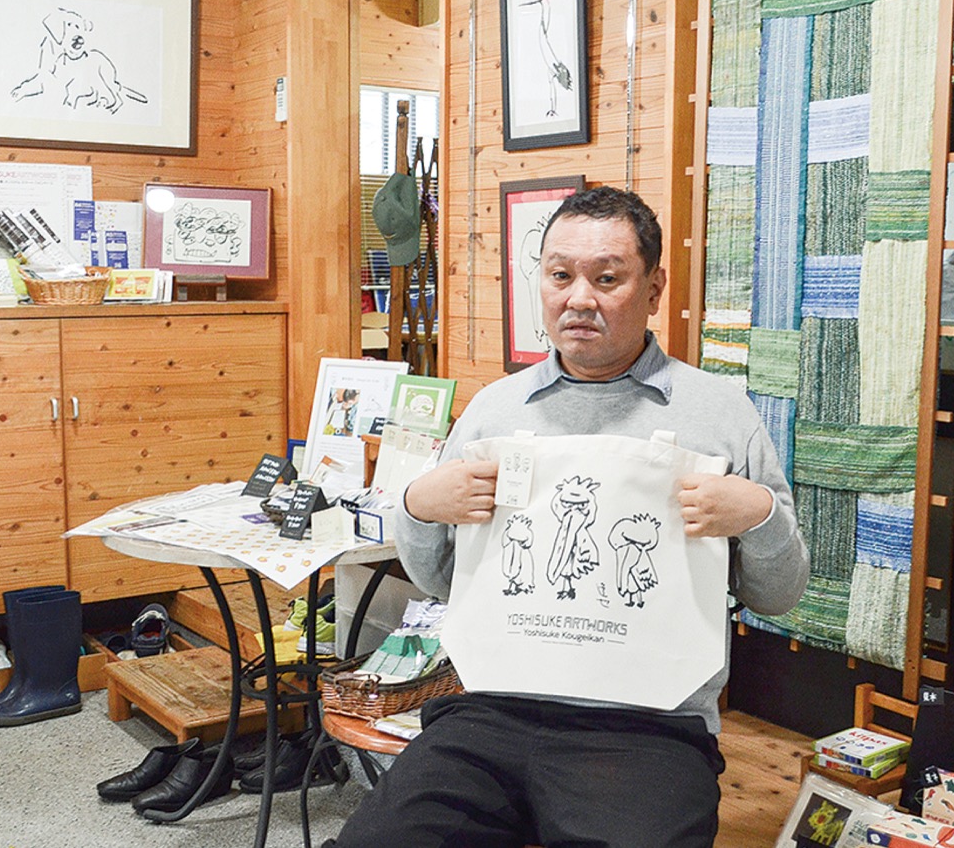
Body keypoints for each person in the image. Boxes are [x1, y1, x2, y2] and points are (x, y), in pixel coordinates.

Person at [329, 186, 809, 848]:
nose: (579, 298)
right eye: (560, 276)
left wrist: (759, 515)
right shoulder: (494, 411)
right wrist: (418, 506)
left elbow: (779, 595)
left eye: (607, 278)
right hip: (489, 711)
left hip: (647, 727)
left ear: (654, 288)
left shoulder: (720, 413)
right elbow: (443, 581)